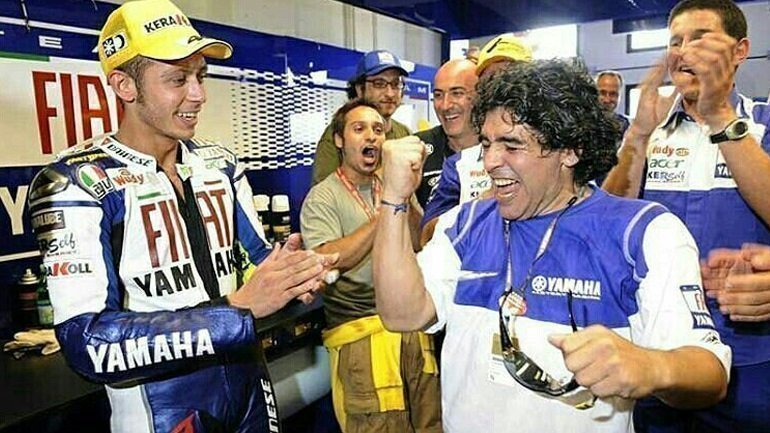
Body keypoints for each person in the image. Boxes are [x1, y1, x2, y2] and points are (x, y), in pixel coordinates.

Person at [372, 59, 730, 433]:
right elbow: (402, 315)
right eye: (486, 143)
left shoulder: (643, 233)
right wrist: (394, 197)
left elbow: (711, 373)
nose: (490, 162)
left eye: (512, 145)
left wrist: (651, 367)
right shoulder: (463, 224)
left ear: (570, 150)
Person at [27, 1, 334, 431]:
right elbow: (87, 342)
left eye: (200, 76)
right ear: (124, 85)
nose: (198, 94)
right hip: (163, 409)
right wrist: (235, 310)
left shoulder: (221, 166)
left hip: (250, 388)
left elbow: (258, 260)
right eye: (178, 79)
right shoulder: (76, 182)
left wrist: (295, 273)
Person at [602, 1, 770, 431]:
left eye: (701, 39)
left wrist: (719, 114)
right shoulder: (647, 128)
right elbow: (607, 222)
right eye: (676, 41)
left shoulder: (763, 124)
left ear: (740, 51)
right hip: (659, 350)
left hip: (751, 356)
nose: (684, 51)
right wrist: (638, 135)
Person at [300, 100, 441, 433]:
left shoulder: (393, 186)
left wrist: (404, 196)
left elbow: (420, 242)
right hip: (361, 334)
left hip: (410, 328)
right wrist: (386, 212)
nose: (372, 136)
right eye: (359, 128)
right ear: (339, 140)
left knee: (430, 424)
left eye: (378, 130)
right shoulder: (323, 197)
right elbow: (326, 258)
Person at [420, 34, 532, 245]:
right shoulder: (460, 164)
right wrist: (482, 204)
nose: (502, 89)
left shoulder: (559, 153)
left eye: (512, 77)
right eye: (491, 80)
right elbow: (426, 236)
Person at [312, 50, 411, 185]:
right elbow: (327, 192)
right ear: (359, 89)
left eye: (395, 84)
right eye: (379, 84)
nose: (390, 93)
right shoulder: (338, 134)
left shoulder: (404, 133)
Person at [414, 58, 479, 209]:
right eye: (438, 95)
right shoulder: (419, 147)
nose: (445, 105)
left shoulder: (500, 150)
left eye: (457, 93)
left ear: (480, 95)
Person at [596, 70, 631, 136]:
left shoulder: (624, 124)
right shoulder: (580, 123)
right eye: (602, 93)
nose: (607, 100)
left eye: (613, 94)